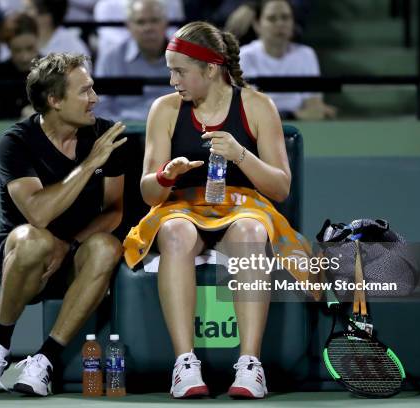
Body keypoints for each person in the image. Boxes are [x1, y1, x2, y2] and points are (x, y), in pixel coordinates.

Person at [123, 21, 315, 398]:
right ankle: (184, 364)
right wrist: (166, 175)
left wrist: (240, 155)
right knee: (176, 233)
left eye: (180, 70)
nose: (172, 79)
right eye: (170, 70)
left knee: (251, 233)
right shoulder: (163, 110)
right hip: (181, 208)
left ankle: (249, 365)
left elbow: (280, 186)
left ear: (211, 69)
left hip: (244, 208)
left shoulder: (258, 106)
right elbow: (148, 193)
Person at [0, 52, 127, 397]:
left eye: (93, 88)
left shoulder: (107, 136)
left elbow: (114, 211)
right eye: (84, 91)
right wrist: (88, 166)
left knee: (108, 247)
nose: (94, 99)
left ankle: (45, 359)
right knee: (33, 238)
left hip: (76, 254)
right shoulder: (15, 142)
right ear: (54, 100)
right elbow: (38, 214)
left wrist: (69, 245)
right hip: (25, 258)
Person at [239, 0, 336, 120]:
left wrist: (288, 116)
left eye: (285, 18)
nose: (280, 24)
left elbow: (315, 110)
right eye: (272, 18)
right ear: (257, 25)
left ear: (293, 22)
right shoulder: (244, 56)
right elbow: (247, 114)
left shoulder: (306, 55)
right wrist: (292, 115)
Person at [94, 0, 174, 121]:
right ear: (129, 26)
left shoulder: (186, 57)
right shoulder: (110, 57)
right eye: (140, 22)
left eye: (154, 20)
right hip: (125, 134)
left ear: (166, 23)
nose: (148, 28)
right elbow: (100, 106)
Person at [0, 12, 39, 120]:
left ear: (38, 41)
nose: (25, 57)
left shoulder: (53, 72)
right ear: (8, 47)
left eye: (30, 48)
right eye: (17, 50)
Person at [23, 0, 90, 57]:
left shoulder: (71, 43)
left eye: (29, 8)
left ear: (47, 15)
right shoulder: (20, 36)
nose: (24, 13)